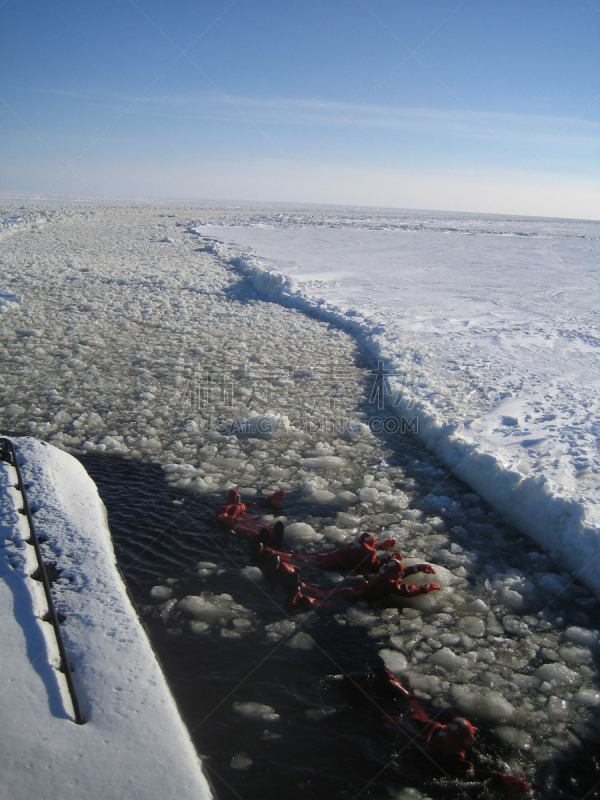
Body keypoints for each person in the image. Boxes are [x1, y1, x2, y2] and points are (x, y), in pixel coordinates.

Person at [365, 658, 530, 794]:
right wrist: (500, 778)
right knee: (391, 718)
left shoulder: (453, 734)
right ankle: (377, 693)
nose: (472, 739)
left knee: (408, 698)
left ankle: (385, 676)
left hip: (423, 721)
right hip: (415, 730)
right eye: (468, 738)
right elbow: (469, 774)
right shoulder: (453, 751)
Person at [339, 557, 440, 602]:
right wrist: (426, 588)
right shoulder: (389, 582)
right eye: (399, 572)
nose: (402, 573)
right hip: (357, 597)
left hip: (355, 590)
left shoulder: (385, 572)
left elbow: (401, 572)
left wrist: (418, 567)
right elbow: (406, 591)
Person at [314, 532, 396, 571]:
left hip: (337, 555)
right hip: (345, 566)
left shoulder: (358, 541)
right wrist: (389, 559)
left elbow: (364, 547)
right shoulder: (370, 552)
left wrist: (380, 546)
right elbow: (372, 566)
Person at [217, 488, 285, 527]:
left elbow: (258, 504)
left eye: (239, 496)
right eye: (236, 497)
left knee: (261, 527)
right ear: (231, 499)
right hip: (238, 525)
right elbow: (222, 515)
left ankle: (272, 531)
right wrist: (226, 518)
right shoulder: (228, 507)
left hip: (248, 522)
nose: (239, 498)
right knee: (249, 531)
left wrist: (272, 498)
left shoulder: (243, 505)